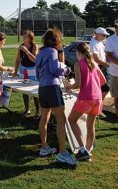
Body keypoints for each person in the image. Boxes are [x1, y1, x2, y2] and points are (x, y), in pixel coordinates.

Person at [35, 29, 77, 166]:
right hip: (52, 87)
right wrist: (66, 69)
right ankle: (63, 153)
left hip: (42, 87)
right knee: (61, 119)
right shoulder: (52, 51)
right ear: (56, 40)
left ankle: (44, 147)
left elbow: (38, 72)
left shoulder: (40, 52)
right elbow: (54, 69)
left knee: (44, 118)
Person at [65, 42, 106, 162]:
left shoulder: (78, 64)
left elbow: (77, 84)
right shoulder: (94, 63)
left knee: (71, 120)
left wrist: (68, 87)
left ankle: (82, 149)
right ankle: (88, 150)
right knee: (90, 125)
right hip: (97, 97)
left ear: (78, 53)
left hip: (85, 97)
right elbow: (103, 81)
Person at [13, 30, 40, 120]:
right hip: (24, 70)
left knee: (35, 92)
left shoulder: (34, 46)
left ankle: (38, 112)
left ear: (30, 38)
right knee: (24, 90)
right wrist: (15, 71)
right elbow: (17, 59)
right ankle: (27, 109)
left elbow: (34, 60)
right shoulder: (21, 46)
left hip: (33, 70)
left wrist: (27, 51)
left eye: (26, 36)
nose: (23, 38)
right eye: (23, 36)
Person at [89, 27, 111, 108]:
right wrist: (107, 64)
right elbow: (96, 58)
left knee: (102, 89)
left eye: (105, 35)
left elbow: (103, 55)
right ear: (97, 34)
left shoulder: (99, 43)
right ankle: (96, 107)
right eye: (103, 35)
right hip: (97, 68)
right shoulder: (93, 43)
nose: (105, 37)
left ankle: (97, 107)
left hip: (101, 67)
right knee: (104, 89)